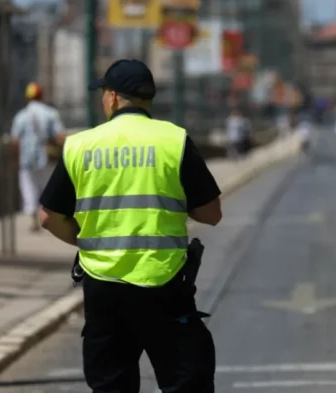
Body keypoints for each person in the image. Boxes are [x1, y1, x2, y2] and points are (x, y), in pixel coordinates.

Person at [38, 59, 222, 393]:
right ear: (147, 99)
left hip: (104, 289)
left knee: (111, 385)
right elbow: (211, 213)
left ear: (111, 97)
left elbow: (48, 217)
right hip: (165, 286)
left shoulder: (80, 146)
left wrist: (87, 242)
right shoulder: (174, 141)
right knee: (187, 381)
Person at [11, 82, 66, 232]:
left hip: (26, 159)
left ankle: (33, 220)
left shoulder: (21, 116)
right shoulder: (50, 113)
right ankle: (48, 219)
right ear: (41, 95)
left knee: (29, 189)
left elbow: (15, 141)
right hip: (46, 157)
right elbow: (59, 136)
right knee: (47, 188)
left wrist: (16, 160)